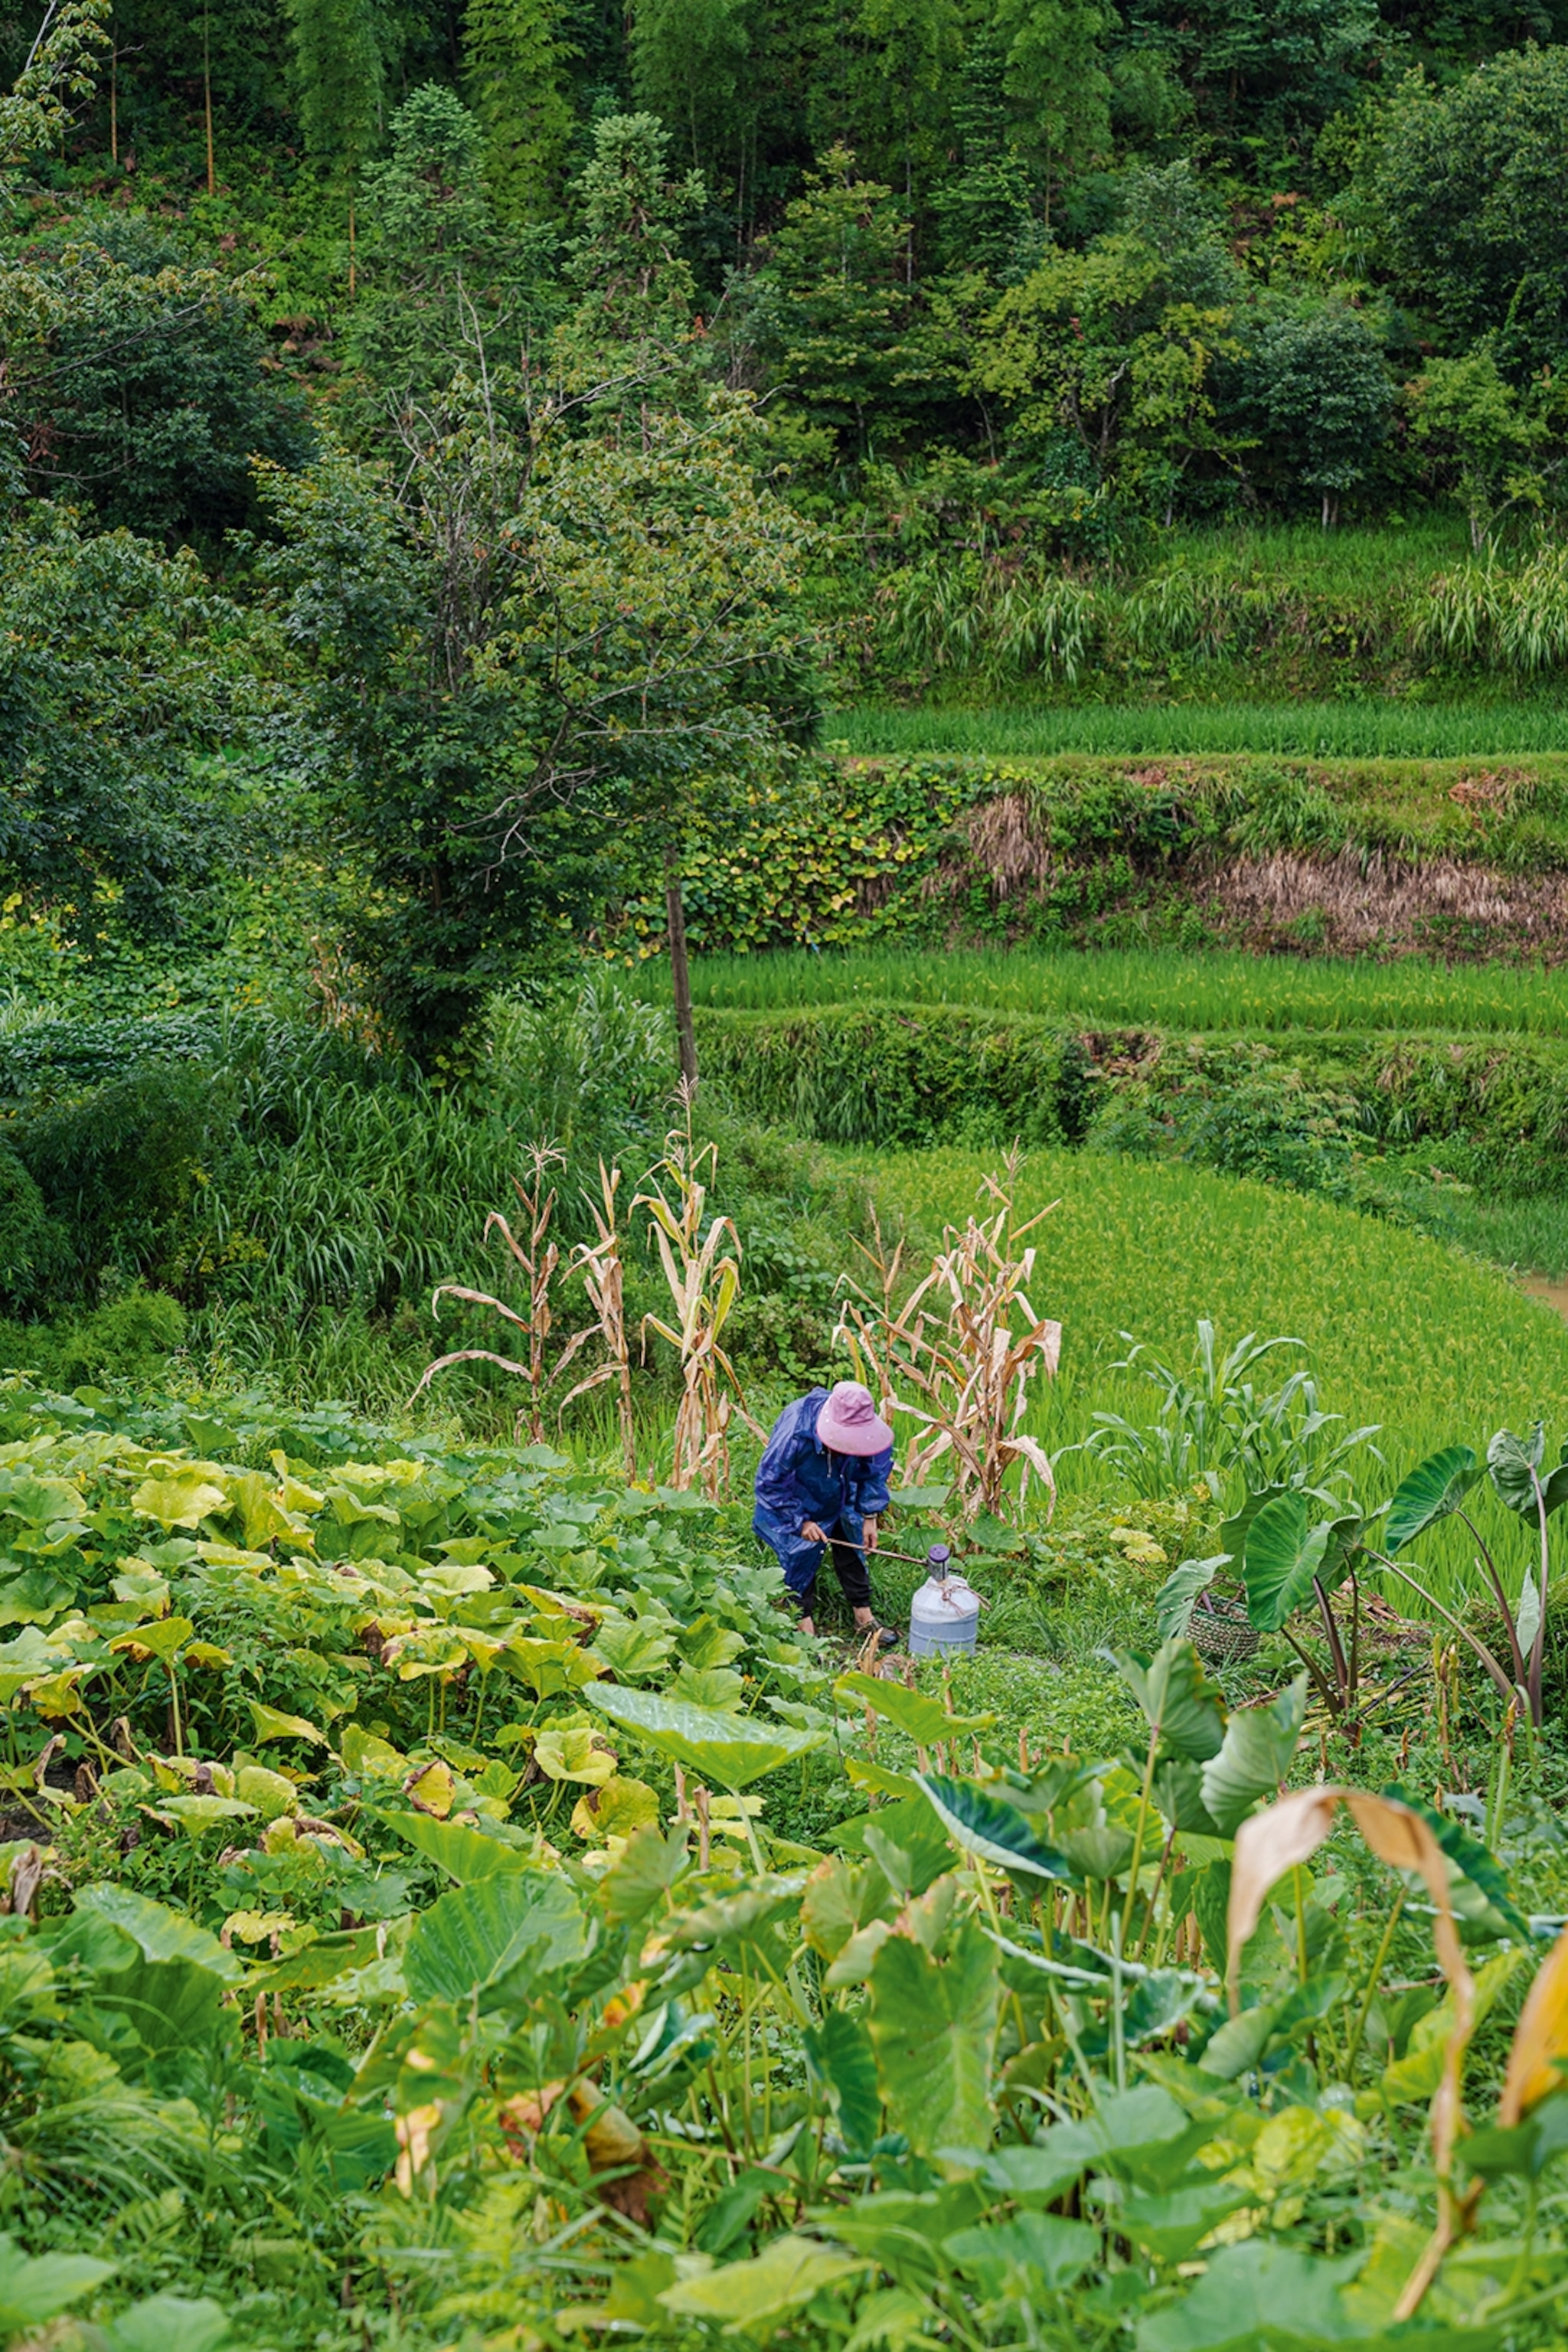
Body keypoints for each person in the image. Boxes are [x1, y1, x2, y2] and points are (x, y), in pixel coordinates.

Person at [753, 1379, 897, 1645]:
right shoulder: (796, 1432)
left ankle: (863, 1616)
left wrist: (870, 1516)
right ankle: (802, 1620)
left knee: (852, 1539)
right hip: (799, 1490)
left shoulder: (865, 1427)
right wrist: (800, 1522)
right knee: (799, 1552)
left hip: (842, 1482)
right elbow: (770, 1483)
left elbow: (874, 1470)